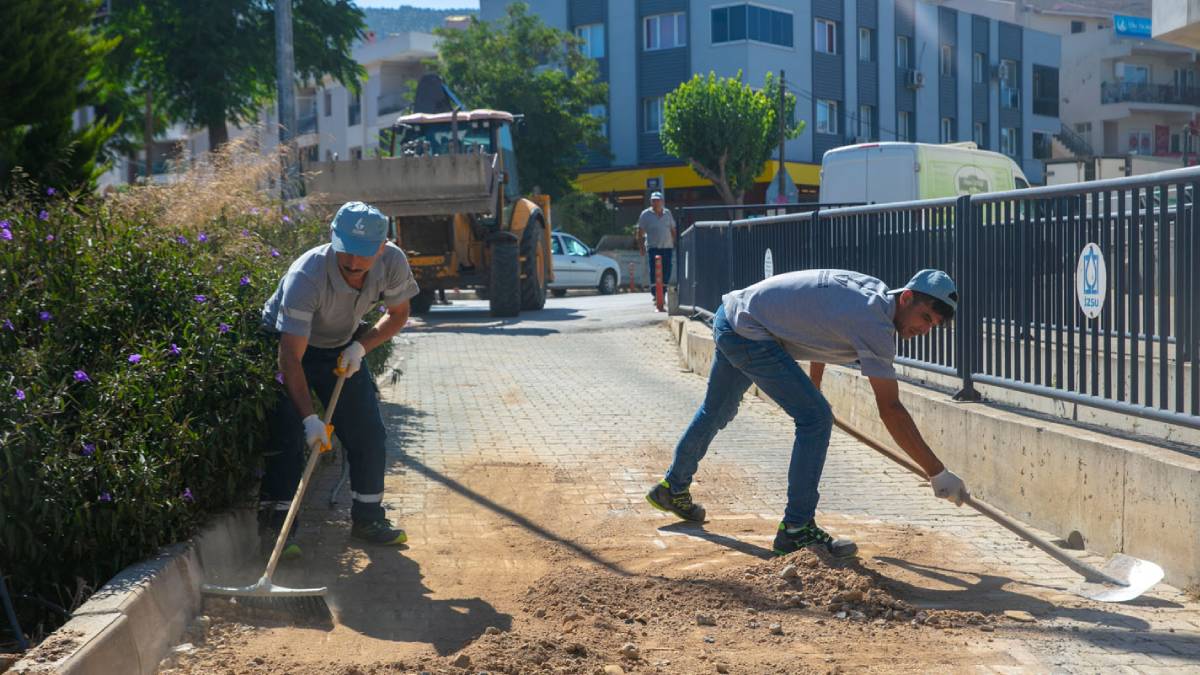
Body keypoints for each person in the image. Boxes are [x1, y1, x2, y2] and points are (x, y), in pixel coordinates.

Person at [645, 268, 969, 557]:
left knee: (716, 411)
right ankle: (797, 530)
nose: (925, 329)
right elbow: (891, 410)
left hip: (731, 316)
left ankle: (672, 487)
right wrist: (936, 472)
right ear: (908, 297)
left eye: (934, 325)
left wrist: (811, 387)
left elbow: (821, 330)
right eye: (926, 318)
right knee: (816, 419)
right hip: (750, 332)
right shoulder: (876, 326)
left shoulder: (872, 294)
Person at [259, 201, 419, 555]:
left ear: (382, 246)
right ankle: (276, 533)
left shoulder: (392, 262)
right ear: (333, 239)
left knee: (368, 431)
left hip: (341, 346)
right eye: (346, 253)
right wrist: (309, 419)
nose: (353, 264)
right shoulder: (307, 275)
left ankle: (368, 518)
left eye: (364, 255)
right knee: (286, 433)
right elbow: (290, 357)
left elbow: (398, 314)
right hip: (288, 344)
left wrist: (361, 347)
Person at [636, 191, 676, 296]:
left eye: (657, 200)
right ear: (651, 202)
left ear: (662, 201)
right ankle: (655, 294)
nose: (656, 202)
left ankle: (663, 291)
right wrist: (641, 247)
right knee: (654, 270)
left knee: (667, 269)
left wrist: (674, 242)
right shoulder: (645, 214)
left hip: (667, 247)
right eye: (653, 200)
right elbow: (640, 232)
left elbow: (673, 229)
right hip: (653, 247)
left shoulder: (667, 213)